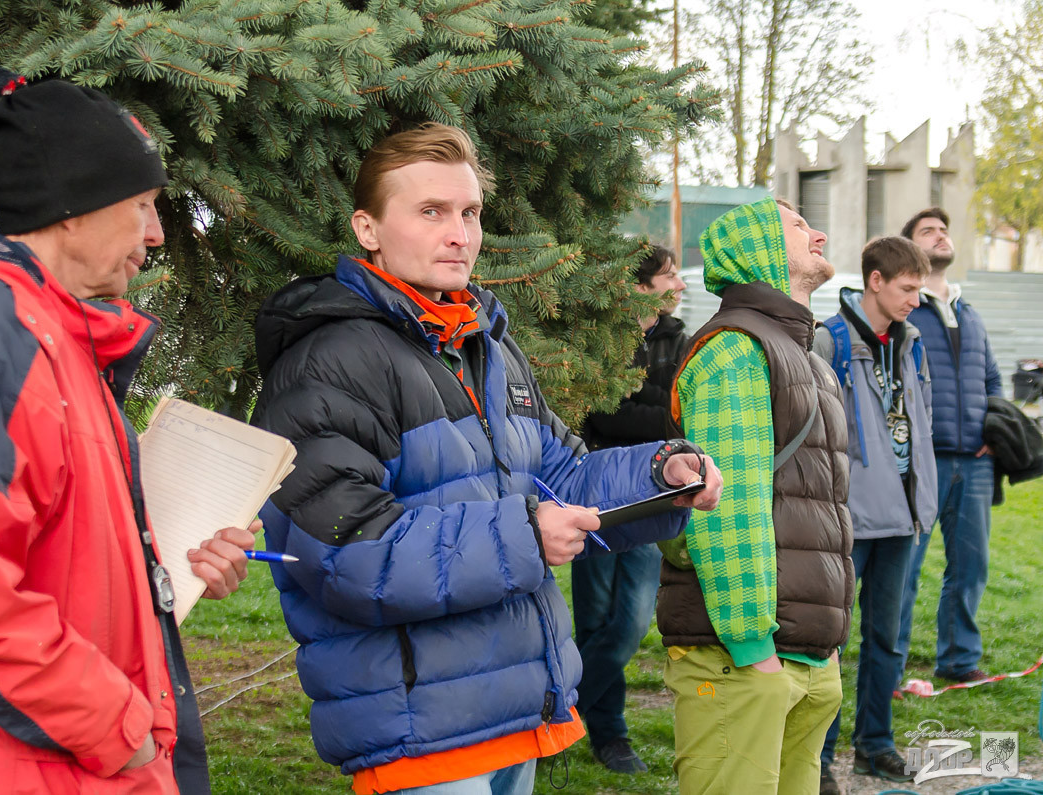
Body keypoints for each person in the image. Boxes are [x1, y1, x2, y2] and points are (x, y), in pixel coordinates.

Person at [250, 123, 722, 795]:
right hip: (422, 731)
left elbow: (561, 475)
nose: (460, 234)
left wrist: (660, 472)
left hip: (513, 711)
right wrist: (523, 533)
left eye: (469, 212)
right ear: (368, 228)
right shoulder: (328, 364)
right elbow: (348, 553)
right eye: (431, 211)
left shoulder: (486, 347)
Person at [0, 69, 258, 794]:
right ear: (74, 209)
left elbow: (49, 547)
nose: (156, 234)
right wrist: (119, 727)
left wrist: (165, 561)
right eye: (142, 206)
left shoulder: (57, 337)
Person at [657, 197, 853, 794]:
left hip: (806, 657)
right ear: (759, 247)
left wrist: (822, 656)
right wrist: (753, 649)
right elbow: (725, 509)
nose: (818, 232)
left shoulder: (807, 356)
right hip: (745, 658)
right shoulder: (736, 349)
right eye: (798, 226)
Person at [812, 236, 937, 793]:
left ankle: (875, 746)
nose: (917, 298)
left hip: (901, 518)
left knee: (888, 638)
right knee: (830, 639)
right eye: (908, 288)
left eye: (921, 288)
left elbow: (921, 423)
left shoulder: (912, 341)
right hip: (848, 518)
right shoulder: (828, 339)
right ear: (876, 281)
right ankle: (818, 758)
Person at [573, 244, 688, 773]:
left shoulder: (679, 340)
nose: (680, 285)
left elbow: (674, 412)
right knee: (595, 621)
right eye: (670, 276)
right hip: (592, 492)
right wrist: (647, 410)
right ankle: (609, 736)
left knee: (631, 621)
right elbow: (605, 412)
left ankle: (558, 707)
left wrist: (640, 408)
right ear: (640, 285)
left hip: (649, 497)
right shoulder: (601, 338)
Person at [897, 207, 1002, 684]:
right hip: (921, 464)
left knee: (970, 567)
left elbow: (993, 379)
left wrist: (993, 433)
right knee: (903, 570)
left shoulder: (971, 312)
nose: (940, 235)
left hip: (976, 465)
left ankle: (959, 661)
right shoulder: (903, 310)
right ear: (911, 249)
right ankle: (889, 669)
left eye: (944, 228)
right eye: (928, 231)